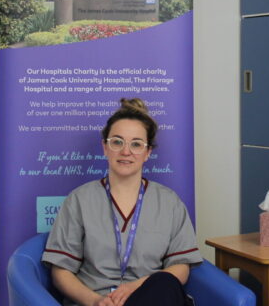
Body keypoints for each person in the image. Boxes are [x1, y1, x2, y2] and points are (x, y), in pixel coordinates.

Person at [42, 98, 202, 306]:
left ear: (148, 153)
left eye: (136, 144)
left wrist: (137, 286)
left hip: (153, 297)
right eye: (117, 142)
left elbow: (180, 267)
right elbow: (61, 272)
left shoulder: (169, 203)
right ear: (105, 147)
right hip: (96, 301)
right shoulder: (79, 200)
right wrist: (96, 301)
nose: (126, 152)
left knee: (164, 283)